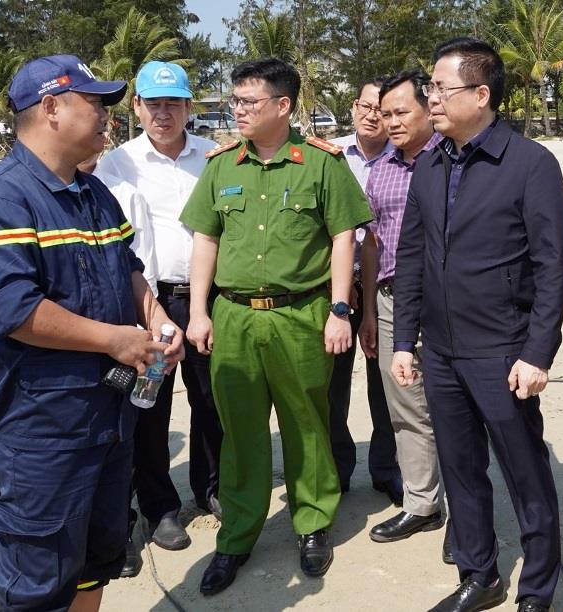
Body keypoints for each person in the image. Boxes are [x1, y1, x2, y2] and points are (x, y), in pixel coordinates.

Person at [0, 54, 182, 612]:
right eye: (95, 103)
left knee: (92, 561)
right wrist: (114, 340)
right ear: (50, 108)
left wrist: (154, 317)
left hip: (107, 415)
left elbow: (127, 266)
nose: (107, 117)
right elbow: (13, 310)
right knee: (36, 574)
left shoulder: (92, 192)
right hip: (42, 427)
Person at [392, 38, 563, 612]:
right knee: (462, 468)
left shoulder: (529, 164)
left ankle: (539, 586)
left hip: (503, 350)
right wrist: (404, 341)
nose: (432, 99)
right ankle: (480, 574)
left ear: (481, 94)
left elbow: (554, 266)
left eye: (441, 89)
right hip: (441, 350)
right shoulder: (430, 164)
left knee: (525, 471)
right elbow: (413, 255)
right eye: (430, 89)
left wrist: (538, 352)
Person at [180, 57, 372, 596]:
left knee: (307, 423)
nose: (237, 110)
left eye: (249, 102)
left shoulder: (321, 164)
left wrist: (339, 310)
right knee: (239, 431)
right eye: (235, 100)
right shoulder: (220, 166)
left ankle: (312, 524)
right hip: (235, 317)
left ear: (282, 106)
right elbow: (206, 240)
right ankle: (238, 535)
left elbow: (343, 237)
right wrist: (198, 312)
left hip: (302, 315)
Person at [94, 60, 223, 567]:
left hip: (208, 299)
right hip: (148, 303)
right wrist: (145, 312)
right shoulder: (117, 164)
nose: (163, 113)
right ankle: (159, 505)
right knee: (149, 406)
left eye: (174, 103)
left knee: (212, 399)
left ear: (190, 107)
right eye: (154, 103)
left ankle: (211, 488)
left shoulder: (213, 158)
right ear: (137, 107)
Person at [360, 69, 448, 552]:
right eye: (383, 113)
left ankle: (465, 512)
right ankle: (422, 503)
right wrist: (370, 309)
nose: (389, 121)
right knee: (406, 408)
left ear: (428, 108)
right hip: (393, 300)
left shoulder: (452, 161)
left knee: (455, 409)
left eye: (399, 112)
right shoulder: (382, 170)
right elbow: (371, 243)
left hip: (446, 301)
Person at [328, 76, 402, 504]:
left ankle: (386, 467)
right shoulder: (331, 156)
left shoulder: (405, 157)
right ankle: (337, 468)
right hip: (335, 289)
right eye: (367, 106)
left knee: (386, 381)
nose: (374, 115)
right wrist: (341, 286)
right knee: (332, 386)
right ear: (354, 108)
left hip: (386, 286)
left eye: (385, 109)